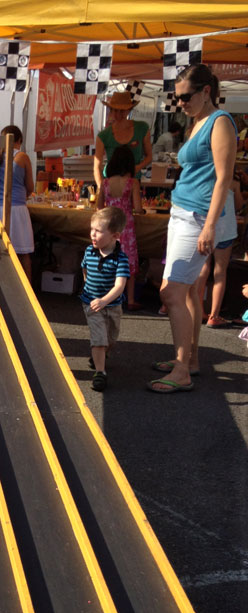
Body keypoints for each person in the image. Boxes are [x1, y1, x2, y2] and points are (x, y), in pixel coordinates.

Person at [149, 64, 237, 394]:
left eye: (185, 96)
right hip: (184, 213)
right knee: (186, 291)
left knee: (170, 292)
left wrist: (210, 226)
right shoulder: (198, 120)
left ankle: (183, 369)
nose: (180, 103)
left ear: (205, 92)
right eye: (177, 97)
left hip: (198, 217)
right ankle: (189, 360)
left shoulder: (219, 122)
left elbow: (223, 178)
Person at [80, 207, 130, 392]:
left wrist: (104, 300)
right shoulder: (89, 251)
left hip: (113, 305)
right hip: (91, 303)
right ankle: (100, 373)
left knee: (111, 338)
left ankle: (99, 355)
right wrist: (90, 291)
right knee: (99, 338)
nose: (93, 234)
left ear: (115, 235)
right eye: (92, 229)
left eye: (98, 231)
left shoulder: (120, 259)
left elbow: (119, 286)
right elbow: (84, 269)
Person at [0, 124, 35, 280]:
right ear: (18, 140)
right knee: (22, 252)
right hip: (17, 209)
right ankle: (28, 288)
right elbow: (30, 186)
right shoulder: (21, 157)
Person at [97, 145, 143, 310]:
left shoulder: (105, 182)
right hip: (126, 226)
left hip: (109, 225)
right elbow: (137, 208)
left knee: (110, 260)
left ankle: (107, 297)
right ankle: (130, 300)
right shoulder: (132, 183)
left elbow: (98, 205)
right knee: (127, 262)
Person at [195, 179, 242, 329]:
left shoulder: (203, 179)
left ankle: (199, 311)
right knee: (220, 271)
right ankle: (214, 315)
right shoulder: (233, 183)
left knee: (203, 269)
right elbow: (239, 206)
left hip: (205, 229)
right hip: (226, 231)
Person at [93, 91, 152, 188]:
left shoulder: (142, 128)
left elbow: (149, 156)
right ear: (111, 111)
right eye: (115, 110)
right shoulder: (103, 135)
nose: (118, 114)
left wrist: (137, 167)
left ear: (129, 110)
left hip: (133, 182)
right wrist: (101, 189)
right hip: (111, 182)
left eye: (122, 110)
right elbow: (97, 166)